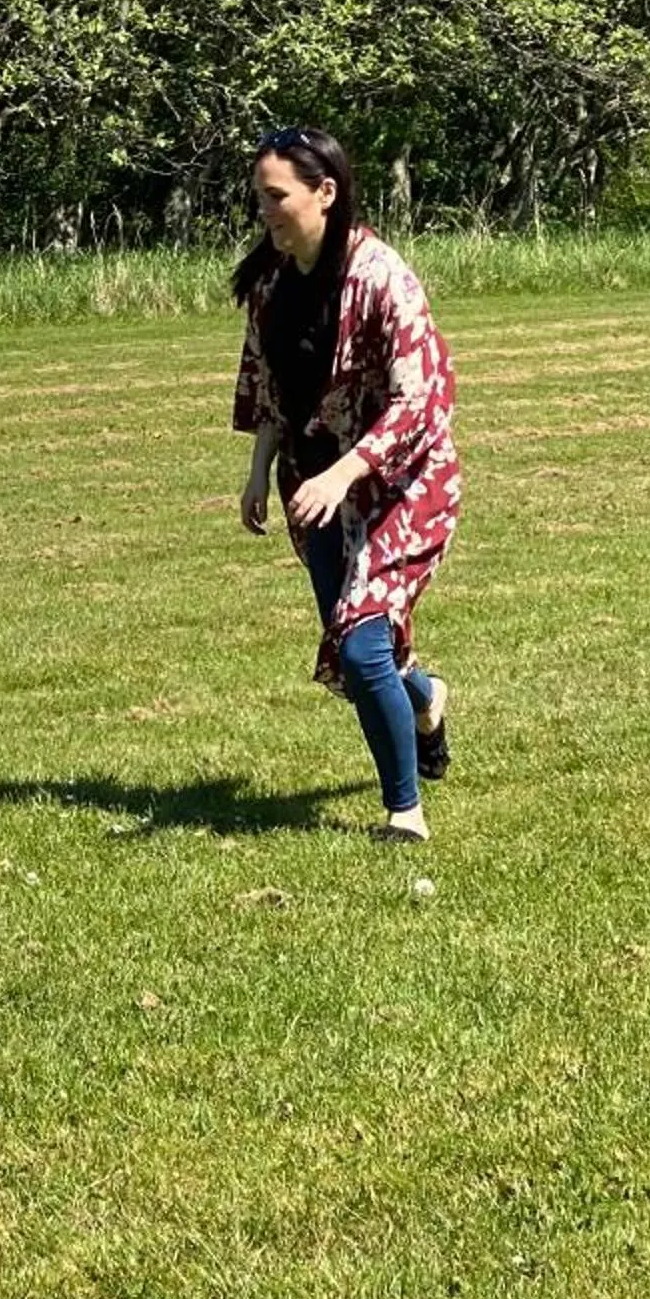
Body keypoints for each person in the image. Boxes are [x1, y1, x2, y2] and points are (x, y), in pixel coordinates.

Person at [231, 127, 460, 840]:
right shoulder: (268, 284)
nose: (265, 212)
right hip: (317, 490)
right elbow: (267, 385)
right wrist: (258, 471)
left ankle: (404, 812)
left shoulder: (384, 277)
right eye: (259, 198)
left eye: (277, 197)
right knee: (370, 648)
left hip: (403, 486)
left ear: (324, 193)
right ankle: (424, 699)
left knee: (360, 645)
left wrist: (346, 471)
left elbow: (418, 401)